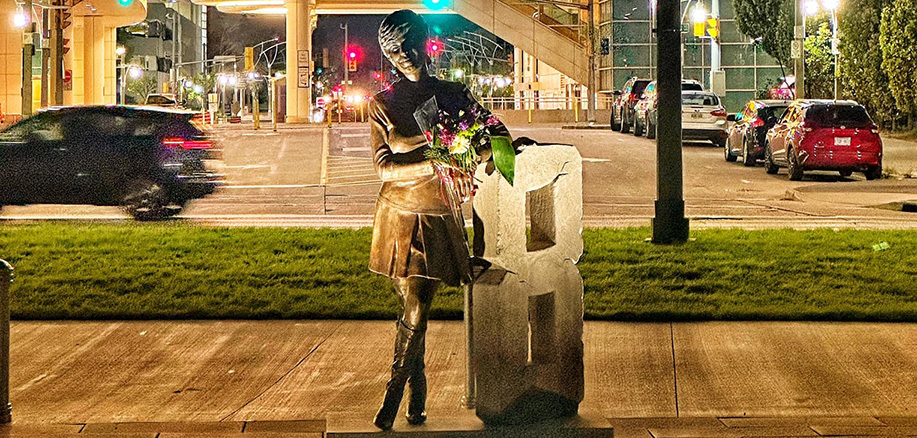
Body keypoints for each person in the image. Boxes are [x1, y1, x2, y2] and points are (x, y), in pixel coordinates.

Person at [367, 9, 510, 430]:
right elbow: (383, 167)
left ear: (425, 41)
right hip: (396, 216)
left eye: (409, 44)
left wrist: (486, 149)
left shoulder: (453, 94)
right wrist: (433, 158)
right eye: (393, 50)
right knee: (410, 311)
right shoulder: (383, 104)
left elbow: (493, 132)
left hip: (436, 215)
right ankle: (418, 400)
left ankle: (391, 398)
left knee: (417, 305)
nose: (404, 55)